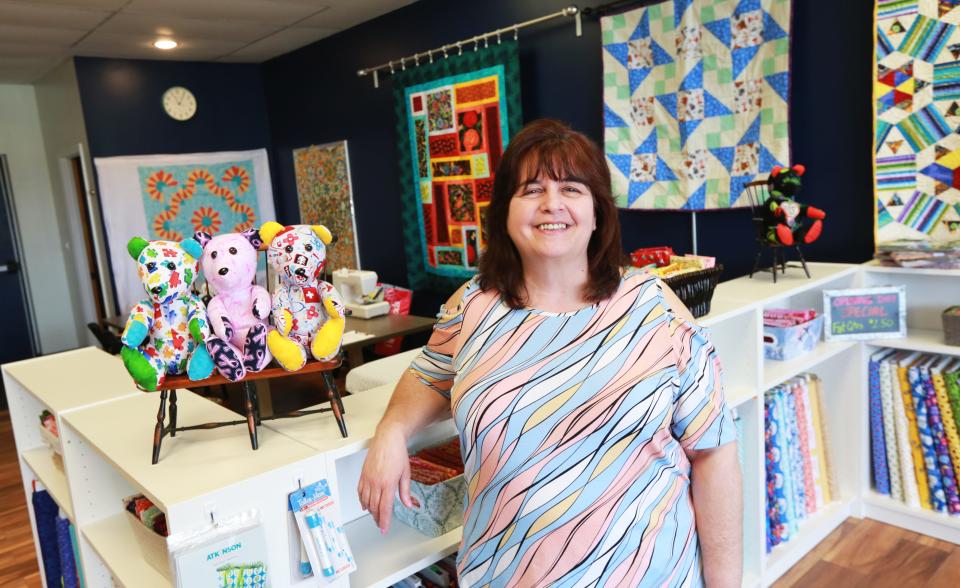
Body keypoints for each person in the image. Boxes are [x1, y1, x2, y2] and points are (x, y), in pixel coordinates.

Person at [358, 119, 742, 587]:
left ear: (598, 211)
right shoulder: (472, 306)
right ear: (504, 211)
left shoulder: (655, 308)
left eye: (571, 188)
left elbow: (714, 454)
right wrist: (392, 430)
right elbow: (430, 374)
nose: (551, 204)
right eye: (531, 189)